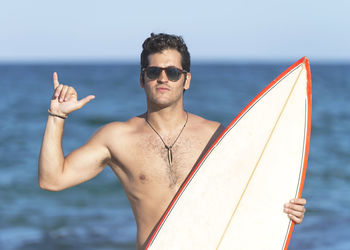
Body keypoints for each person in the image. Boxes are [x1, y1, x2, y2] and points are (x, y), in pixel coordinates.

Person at [39, 33, 307, 249]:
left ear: (186, 80)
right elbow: (52, 179)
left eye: (173, 72)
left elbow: (254, 193)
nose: (163, 78)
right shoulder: (117, 137)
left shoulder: (217, 137)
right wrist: (56, 115)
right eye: (154, 71)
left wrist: (287, 210)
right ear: (142, 79)